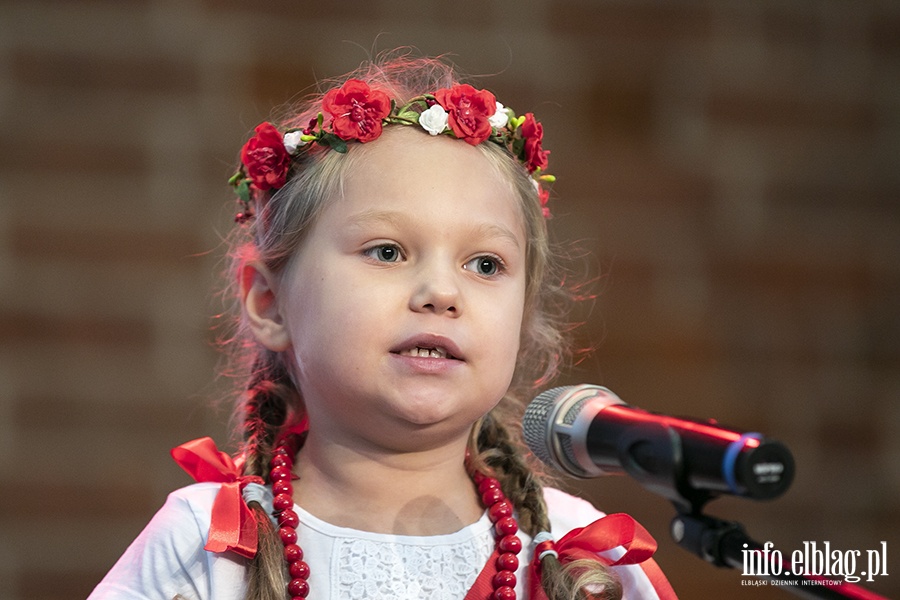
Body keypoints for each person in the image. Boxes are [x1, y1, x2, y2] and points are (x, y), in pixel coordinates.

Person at [88, 53, 678, 600]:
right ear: (270, 304)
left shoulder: (583, 554)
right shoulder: (210, 543)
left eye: (485, 264)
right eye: (388, 252)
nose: (443, 293)